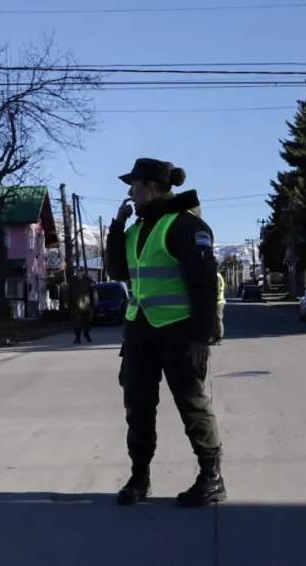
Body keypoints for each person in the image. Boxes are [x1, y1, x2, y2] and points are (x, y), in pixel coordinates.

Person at [105, 157, 225, 508]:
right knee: (137, 408)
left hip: (180, 333)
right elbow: (117, 270)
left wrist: (203, 337)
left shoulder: (185, 226)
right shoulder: (136, 230)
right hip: (141, 332)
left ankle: (211, 477)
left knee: (193, 405)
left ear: (151, 187)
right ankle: (139, 478)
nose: (130, 191)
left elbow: (204, 283)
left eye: (134, 185)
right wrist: (116, 225)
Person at [68, 269, 97, 344]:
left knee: (88, 322)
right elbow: (68, 292)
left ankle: (86, 333)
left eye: (80, 271)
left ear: (83, 272)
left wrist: (95, 301)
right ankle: (77, 338)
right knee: (77, 323)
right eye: (77, 272)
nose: (78, 273)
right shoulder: (72, 281)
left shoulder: (88, 281)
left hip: (87, 305)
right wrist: (67, 302)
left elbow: (93, 292)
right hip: (75, 305)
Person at [213, 270, 226, 345]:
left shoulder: (216, 276)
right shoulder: (216, 275)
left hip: (218, 301)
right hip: (217, 301)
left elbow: (216, 290)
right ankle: (215, 336)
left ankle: (219, 337)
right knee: (214, 320)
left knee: (218, 319)